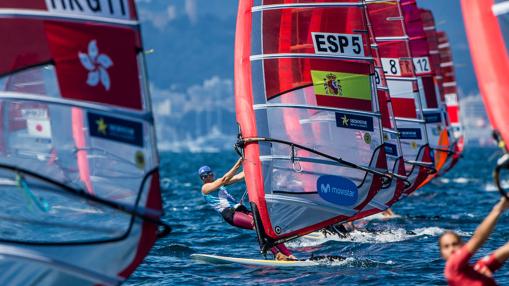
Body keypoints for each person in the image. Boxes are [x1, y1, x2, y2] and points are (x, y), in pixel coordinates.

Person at [199, 158, 296, 261]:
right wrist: (238, 163)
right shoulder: (205, 188)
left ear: (212, 174)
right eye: (204, 176)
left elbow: (239, 177)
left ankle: (288, 254)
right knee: (258, 225)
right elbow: (224, 179)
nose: (207, 177)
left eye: (209, 174)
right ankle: (277, 254)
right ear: (202, 179)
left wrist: (255, 166)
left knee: (267, 226)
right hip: (230, 214)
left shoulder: (219, 184)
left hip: (240, 210)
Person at [439, 197, 509, 285]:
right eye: (446, 246)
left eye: (455, 244)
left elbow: (506, 249)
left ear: (462, 245)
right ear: (441, 254)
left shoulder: (480, 268)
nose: (452, 249)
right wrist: (498, 209)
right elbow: (478, 239)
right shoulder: (452, 268)